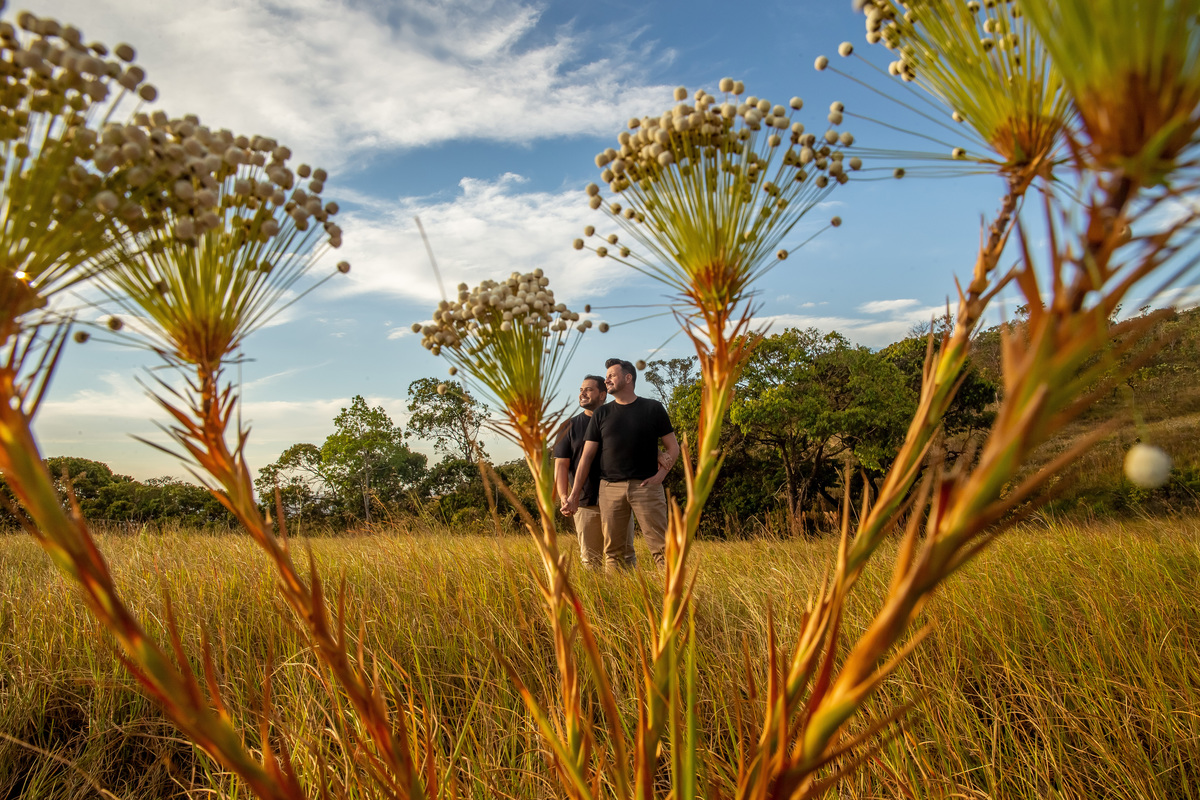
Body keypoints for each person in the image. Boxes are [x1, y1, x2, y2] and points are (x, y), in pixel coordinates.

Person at [563, 358, 679, 569]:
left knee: (662, 549)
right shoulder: (602, 413)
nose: (607, 380)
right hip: (610, 489)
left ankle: (672, 598)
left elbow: (673, 447)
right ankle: (615, 599)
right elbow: (586, 457)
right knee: (613, 553)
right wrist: (573, 495)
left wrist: (660, 476)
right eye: (606, 377)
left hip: (647, 488)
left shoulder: (652, 408)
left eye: (611, 376)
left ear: (628, 378)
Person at [553, 375, 636, 568]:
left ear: (603, 395)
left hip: (619, 501)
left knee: (624, 557)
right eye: (581, 389)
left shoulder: (620, 422)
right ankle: (599, 599)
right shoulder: (568, 427)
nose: (582, 393)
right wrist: (564, 495)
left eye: (589, 389)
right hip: (585, 502)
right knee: (591, 560)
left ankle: (629, 597)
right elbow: (561, 465)